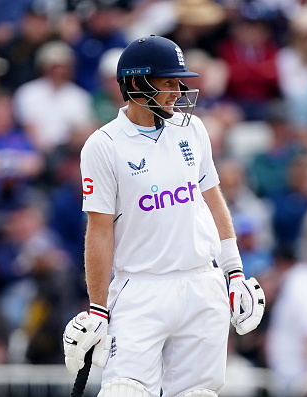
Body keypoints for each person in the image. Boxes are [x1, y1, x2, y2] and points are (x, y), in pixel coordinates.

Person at [61, 35, 265, 397]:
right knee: (124, 391)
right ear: (137, 83)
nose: (178, 90)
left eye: (179, 81)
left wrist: (234, 272)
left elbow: (212, 199)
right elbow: (100, 231)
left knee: (198, 394)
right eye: (169, 82)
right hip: (141, 288)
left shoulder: (192, 128)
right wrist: (98, 308)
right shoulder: (103, 145)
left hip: (203, 283)